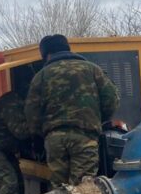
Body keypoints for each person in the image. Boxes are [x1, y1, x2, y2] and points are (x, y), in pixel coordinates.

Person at [25, 34, 119, 186]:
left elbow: (32, 113)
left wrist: (40, 134)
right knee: (84, 188)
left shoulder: (40, 76)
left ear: (47, 54)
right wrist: (98, 120)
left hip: (54, 139)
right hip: (85, 136)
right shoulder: (93, 70)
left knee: (59, 190)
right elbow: (111, 100)